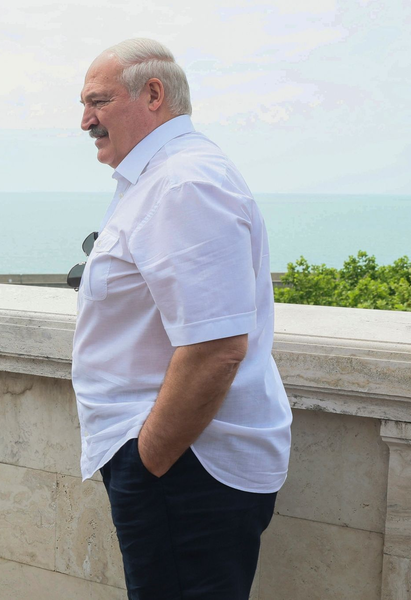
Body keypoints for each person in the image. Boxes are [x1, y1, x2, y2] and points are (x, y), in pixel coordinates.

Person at [71, 39, 292, 599]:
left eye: (98, 101)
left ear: (153, 94)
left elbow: (216, 347)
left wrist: (147, 463)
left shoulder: (181, 183)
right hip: (180, 463)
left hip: (186, 467)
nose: (85, 121)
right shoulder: (163, 177)